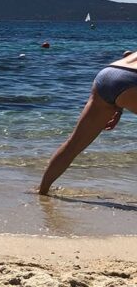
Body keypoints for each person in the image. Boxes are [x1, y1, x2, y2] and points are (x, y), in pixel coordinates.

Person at [39, 51, 137, 194]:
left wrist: (118, 108)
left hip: (108, 75)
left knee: (73, 144)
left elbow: (127, 54)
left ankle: (42, 191)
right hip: (133, 81)